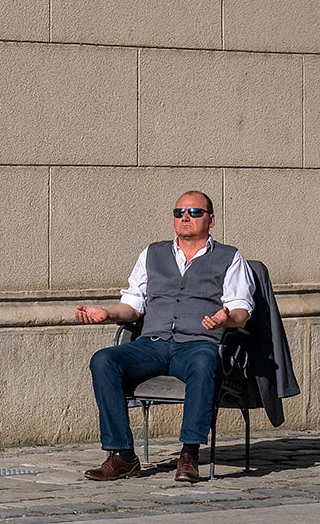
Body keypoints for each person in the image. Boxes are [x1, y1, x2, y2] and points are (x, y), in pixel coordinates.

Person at [77, 190, 253, 483]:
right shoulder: (152, 254)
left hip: (198, 344)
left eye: (195, 212)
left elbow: (242, 310)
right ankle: (123, 456)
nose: (185, 217)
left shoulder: (229, 257)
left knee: (204, 362)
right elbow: (133, 306)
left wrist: (227, 318)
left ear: (210, 220)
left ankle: (189, 454)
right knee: (104, 360)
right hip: (152, 345)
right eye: (179, 212)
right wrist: (108, 313)